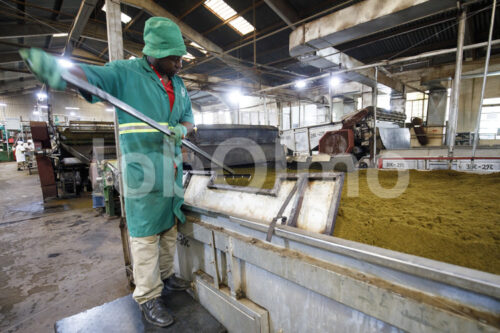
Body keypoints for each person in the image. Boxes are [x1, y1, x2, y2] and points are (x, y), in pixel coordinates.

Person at [21, 17, 195, 327]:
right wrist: (59, 71)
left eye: (180, 57)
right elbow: (90, 77)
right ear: (154, 53)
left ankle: (167, 278)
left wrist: (180, 130)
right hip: (143, 175)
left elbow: (189, 121)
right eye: (174, 57)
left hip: (171, 172)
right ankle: (148, 297)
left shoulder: (179, 86)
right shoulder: (125, 74)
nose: (180, 64)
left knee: (169, 231)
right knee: (145, 239)